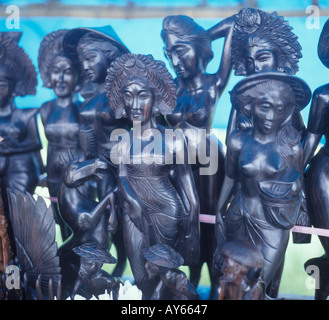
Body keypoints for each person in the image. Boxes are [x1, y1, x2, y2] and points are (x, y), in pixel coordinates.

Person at [105, 53, 200, 298]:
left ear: (156, 99)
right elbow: (122, 177)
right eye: (128, 95)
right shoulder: (123, 141)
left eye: (143, 95)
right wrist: (133, 203)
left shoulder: (173, 139)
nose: (134, 105)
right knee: (141, 276)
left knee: (165, 279)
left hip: (166, 213)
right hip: (133, 214)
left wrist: (192, 226)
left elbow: (189, 188)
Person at [160, 14, 235, 297]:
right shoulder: (171, 88)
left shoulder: (213, 83)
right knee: (182, 220)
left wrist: (202, 36)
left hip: (209, 163)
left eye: (180, 51)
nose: (175, 61)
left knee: (211, 221)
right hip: (178, 166)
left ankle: (216, 277)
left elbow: (232, 25)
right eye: (169, 54)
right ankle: (189, 272)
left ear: (197, 46)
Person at [215, 71, 311, 289]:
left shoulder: (291, 146)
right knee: (235, 283)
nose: (271, 117)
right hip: (239, 217)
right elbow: (230, 178)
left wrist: (290, 192)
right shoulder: (238, 141)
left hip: (273, 225)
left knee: (258, 284)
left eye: (280, 109)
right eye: (265, 107)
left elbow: (298, 183)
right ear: (250, 106)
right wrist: (220, 211)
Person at [63, 26, 131, 277]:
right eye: (82, 61)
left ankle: (127, 271)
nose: (85, 66)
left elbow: (147, 132)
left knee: (129, 226)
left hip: (127, 172)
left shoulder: (126, 96)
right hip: (101, 172)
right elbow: (88, 145)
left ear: (111, 55)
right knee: (107, 228)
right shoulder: (90, 99)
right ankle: (105, 274)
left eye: (90, 58)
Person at [38, 29, 87, 241]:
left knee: (80, 222)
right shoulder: (45, 109)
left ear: (77, 75)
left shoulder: (83, 110)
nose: (60, 78)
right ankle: (67, 268)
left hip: (78, 176)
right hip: (53, 176)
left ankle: (82, 268)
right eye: (55, 71)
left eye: (66, 71)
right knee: (60, 222)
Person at [0, 32, 43, 253]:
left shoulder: (26, 116)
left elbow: (36, 151)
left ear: (14, 85)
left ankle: (20, 263)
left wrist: (42, 174)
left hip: (21, 170)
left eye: (2, 83)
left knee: (18, 219)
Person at [303, 18, 329, 300]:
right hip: (324, 174)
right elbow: (311, 139)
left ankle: (320, 273)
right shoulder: (323, 95)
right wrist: (294, 173)